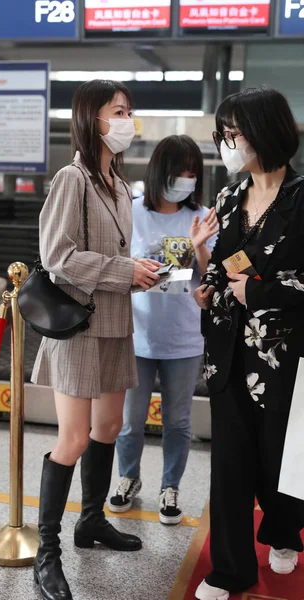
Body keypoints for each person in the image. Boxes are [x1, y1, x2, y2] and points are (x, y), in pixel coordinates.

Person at [30, 79, 161, 600]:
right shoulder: (73, 179)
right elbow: (58, 256)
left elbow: (117, 257)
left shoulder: (118, 184)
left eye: (128, 111)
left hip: (115, 324)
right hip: (80, 327)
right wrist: (124, 271)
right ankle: (48, 552)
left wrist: (142, 270)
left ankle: (90, 522)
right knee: (75, 438)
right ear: (92, 119)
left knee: (108, 428)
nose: (127, 120)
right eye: (119, 111)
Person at [194, 87, 304, 600]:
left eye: (232, 133)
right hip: (230, 350)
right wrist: (205, 284)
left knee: (281, 458)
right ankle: (230, 569)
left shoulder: (302, 198)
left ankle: (284, 532)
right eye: (222, 134)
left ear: (265, 131)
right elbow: (221, 268)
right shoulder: (228, 197)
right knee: (231, 463)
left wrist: (257, 290)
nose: (225, 143)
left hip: (286, 356)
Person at [108, 135, 218, 524]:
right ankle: (127, 478)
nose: (186, 180)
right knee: (128, 420)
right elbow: (120, 268)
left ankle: (170, 487)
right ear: (159, 172)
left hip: (184, 337)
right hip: (136, 334)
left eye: (192, 173)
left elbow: (208, 275)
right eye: (179, 172)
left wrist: (199, 244)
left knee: (178, 420)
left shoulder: (202, 216)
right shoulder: (130, 212)